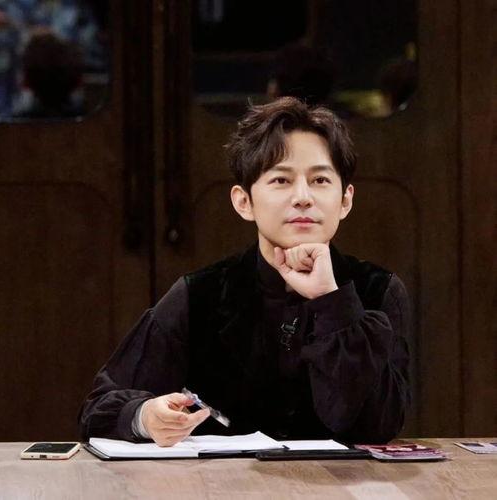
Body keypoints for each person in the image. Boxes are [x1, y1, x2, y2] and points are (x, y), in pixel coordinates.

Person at [79, 97, 410, 446]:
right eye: (281, 180)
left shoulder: (378, 291)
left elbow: (379, 427)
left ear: (345, 200)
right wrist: (145, 416)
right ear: (243, 202)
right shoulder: (201, 294)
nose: (303, 197)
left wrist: (332, 301)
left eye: (320, 180)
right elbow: (97, 409)